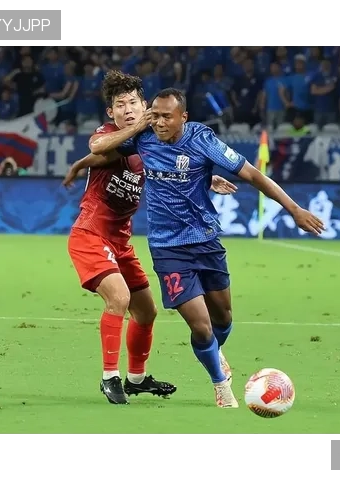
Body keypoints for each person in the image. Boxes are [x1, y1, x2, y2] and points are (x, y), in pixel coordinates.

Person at [89, 87, 325, 408]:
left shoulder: (202, 139)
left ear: (183, 118)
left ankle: (214, 351)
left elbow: (252, 174)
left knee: (223, 320)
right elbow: (98, 147)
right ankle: (220, 385)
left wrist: (294, 209)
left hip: (206, 241)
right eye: (155, 116)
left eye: (166, 117)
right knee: (200, 326)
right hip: (168, 248)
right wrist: (92, 158)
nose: (159, 123)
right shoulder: (142, 137)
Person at [64, 72, 237, 405]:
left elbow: (172, 168)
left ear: (144, 105)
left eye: (133, 102)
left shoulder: (150, 141)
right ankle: (109, 377)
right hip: (90, 234)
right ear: (110, 112)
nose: (128, 109)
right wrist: (79, 164)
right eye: (120, 105)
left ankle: (137, 378)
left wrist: (206, 178)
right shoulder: (111, 134)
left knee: (146, 311)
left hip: (121, 241)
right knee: (119, 298)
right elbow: (97, 150)